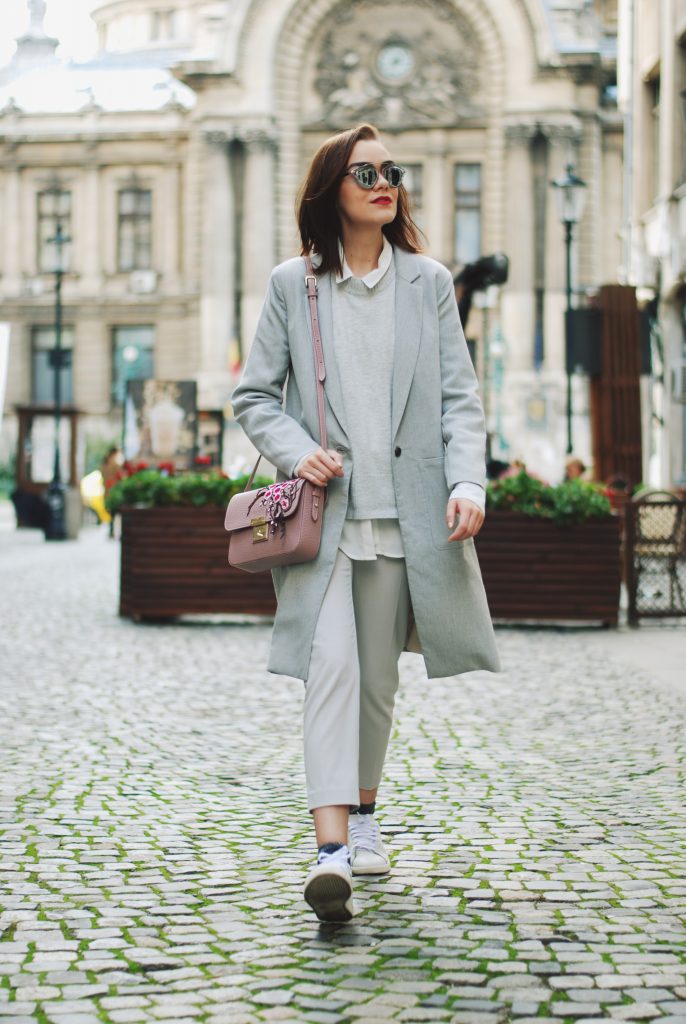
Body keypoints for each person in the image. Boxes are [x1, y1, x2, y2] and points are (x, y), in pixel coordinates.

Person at [232, 123, 500, 924]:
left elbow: (461, 400)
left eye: (392, 171)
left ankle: (368, 811)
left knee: (379, 682)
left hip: (405, 518)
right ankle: (331, 851)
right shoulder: (295, 285)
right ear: (331, 190)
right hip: (324, 523)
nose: (384, 182)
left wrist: (467, 482)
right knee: (335, 674)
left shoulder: (429, 284)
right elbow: (254, 396)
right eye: (365, 172)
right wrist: (297, 448)